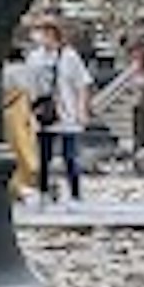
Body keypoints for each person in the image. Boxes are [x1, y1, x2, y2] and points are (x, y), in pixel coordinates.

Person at [28, 19, 90, 204]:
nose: (41, 36)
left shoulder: (69, 56)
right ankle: (44, 191)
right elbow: (29, 86)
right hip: (43, 113)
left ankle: (75, 194)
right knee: (43, 156)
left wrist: (82, 110)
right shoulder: (34, 58)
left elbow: (82, 84)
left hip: (66, 111)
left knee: (70, 156)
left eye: (45, 32)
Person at [0, 43, 37, 204]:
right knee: (26, 146)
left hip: (9, 113)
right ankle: (29, 179)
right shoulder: (28, 71)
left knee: (14, 147)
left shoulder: (6, 71)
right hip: (24, 111)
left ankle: (15, 184)